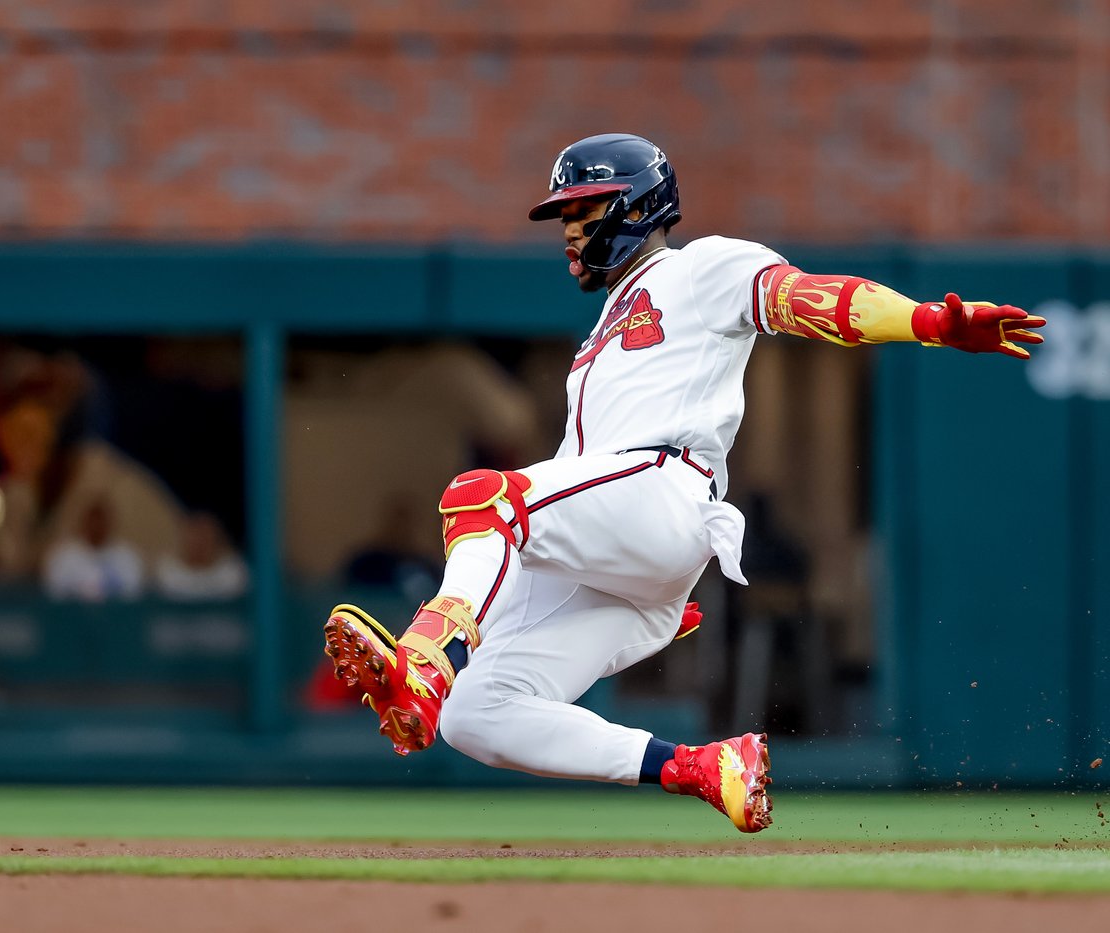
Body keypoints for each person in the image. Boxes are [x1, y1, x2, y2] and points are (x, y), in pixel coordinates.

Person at [322, 133, 1044, 833]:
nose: (568, 227)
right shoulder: (601, 330)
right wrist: (632, 574)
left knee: (479, 497)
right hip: (622, 548)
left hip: (664, 490)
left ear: (637, 205)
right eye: (563, 213)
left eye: (582, 208)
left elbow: (809, 297)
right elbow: (561, 499)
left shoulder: (700, 268)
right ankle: (701, 767)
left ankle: (427, 659)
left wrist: (925, 321)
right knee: (474, 716)